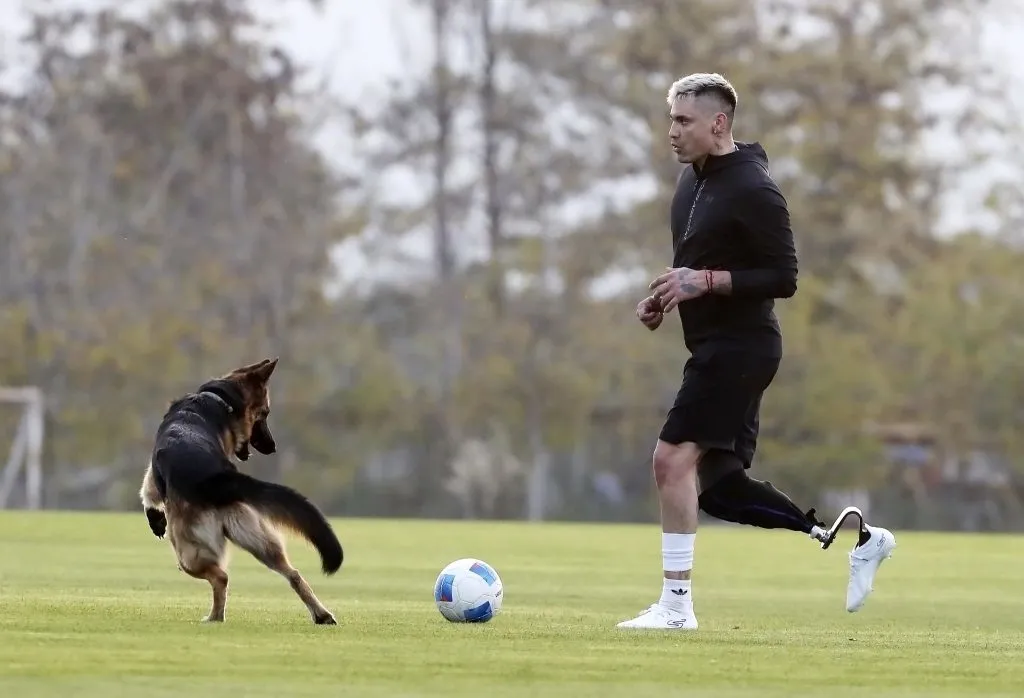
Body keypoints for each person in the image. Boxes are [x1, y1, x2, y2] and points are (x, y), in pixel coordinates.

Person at [616, 73, 896, 631]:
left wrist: (707, 281)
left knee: (670, 460)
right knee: (722, 491)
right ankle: (856, 537)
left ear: (717, 123)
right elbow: (694, 268)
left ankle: (675, 608)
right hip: (716, 346)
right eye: (671, 118)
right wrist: (666, 299)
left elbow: (784, 276)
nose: (671, 131)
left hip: (742, 349)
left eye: (683, 121)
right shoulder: (691, 182)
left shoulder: (754, 188)